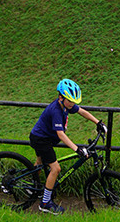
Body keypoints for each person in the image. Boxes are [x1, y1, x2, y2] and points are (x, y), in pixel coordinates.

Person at [29, 79, 106, 215]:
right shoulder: (56, 110)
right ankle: (45, 203)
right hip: (42, 140)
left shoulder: (66, 105)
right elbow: (61, 135)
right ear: (61, 97)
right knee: (55, 168)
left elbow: (82, 112)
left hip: (44, 137)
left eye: (74, 101)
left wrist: (98, 122)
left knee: (40, 162)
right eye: (70, 100)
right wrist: (77, 149)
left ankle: (32, 186)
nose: (73, 104)